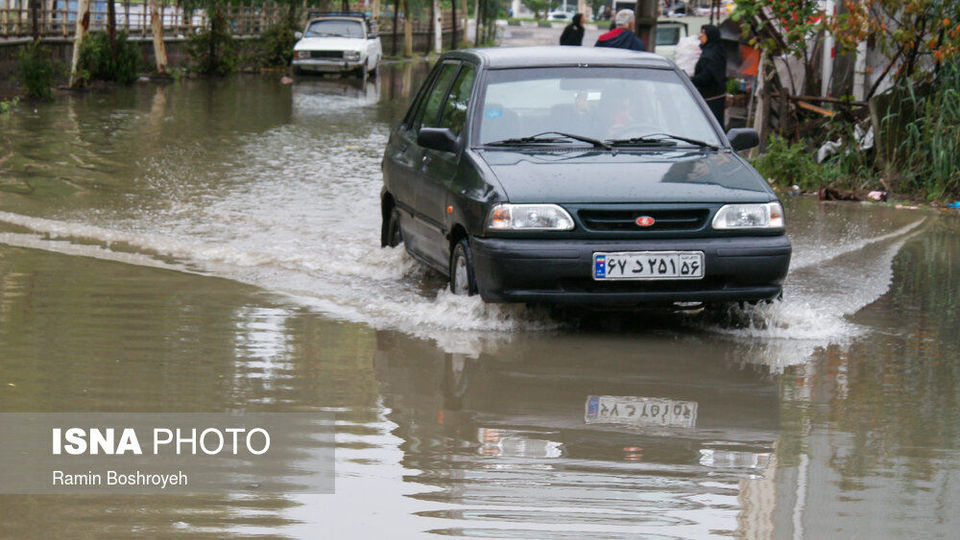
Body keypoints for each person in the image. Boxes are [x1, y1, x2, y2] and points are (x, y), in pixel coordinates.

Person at [691, 24, 727, 127]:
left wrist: (689, 80)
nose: (699, 36)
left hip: (711, 98)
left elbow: (706, 77)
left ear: (710, 35)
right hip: (713, 96)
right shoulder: (714, 50)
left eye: (703, 33)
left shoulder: (711, 55)